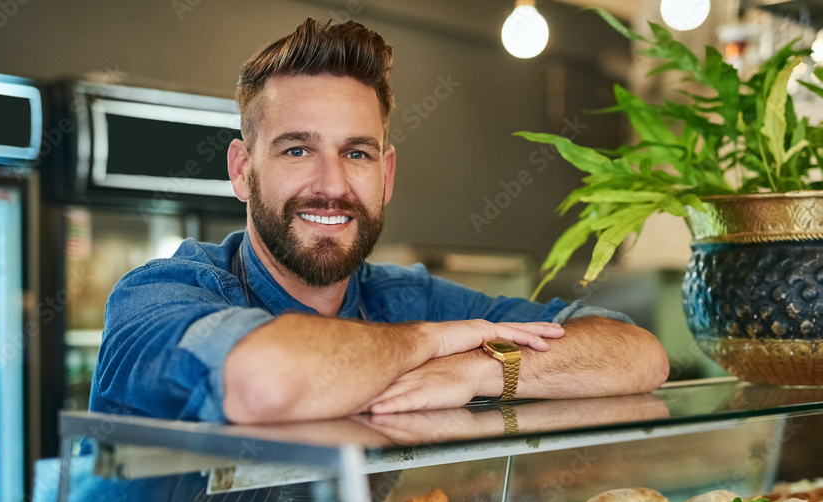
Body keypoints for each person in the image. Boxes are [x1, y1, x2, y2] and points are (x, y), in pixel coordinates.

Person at [88, 18, 668, 424]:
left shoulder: (403, 296)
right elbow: (263, 381)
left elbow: (639, 353)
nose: (333, 184)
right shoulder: (160, 294)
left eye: (357, 153)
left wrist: (473, 372)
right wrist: (429, 342)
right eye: (297, 150)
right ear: (242, 170)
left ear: (386, 175)